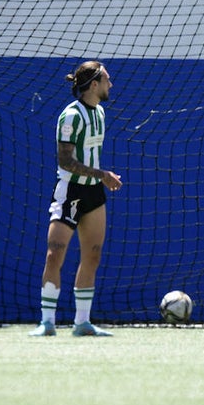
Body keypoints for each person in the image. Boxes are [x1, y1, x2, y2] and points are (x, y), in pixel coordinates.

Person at [31, 61, 123, 337]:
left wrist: (100, 178)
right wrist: (103, 173)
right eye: (107, 79)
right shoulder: (71, 116)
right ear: (93, 85)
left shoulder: (101, 114)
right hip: (70, 191)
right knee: (54, 254)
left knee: (92, 256)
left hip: (94, 194)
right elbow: (65, 160)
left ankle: (82, 322)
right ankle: (47, 322)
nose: (111, 84)